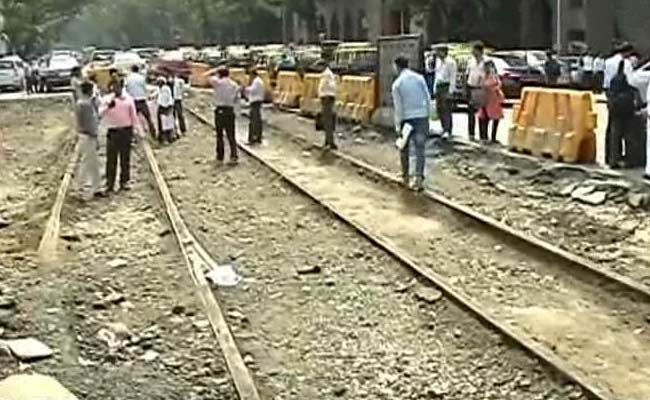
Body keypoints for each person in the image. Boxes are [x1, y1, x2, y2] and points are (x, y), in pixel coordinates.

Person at [392, 56, 431, 191]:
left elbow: (398, 108)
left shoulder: (397, 84)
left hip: (407, 119)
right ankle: (419, 178)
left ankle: (405, 175)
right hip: (421, 117)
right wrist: (428, 115)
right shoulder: (419, 78)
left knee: (404, 148)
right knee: (420, 149)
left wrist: (398, 126)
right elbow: (427, 97)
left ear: (397, 66)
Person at [100, 79, 138, 193]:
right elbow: (99, 113)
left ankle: (124, 181)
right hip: (113, 131)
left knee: (125, 158)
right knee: (111, 159)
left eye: (118, 87)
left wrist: (136, 131)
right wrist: (108, 106)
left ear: (122, 87)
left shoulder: (129, 100)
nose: (115, 89)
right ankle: (109, 184)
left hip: (126, 131)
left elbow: (133, 116)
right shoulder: (107, 99)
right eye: (114, 87)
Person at [74, 81, 104, 200]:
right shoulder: (85, 105)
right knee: (87, 163)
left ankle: (97, 187)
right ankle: (80, 188)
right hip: (88, 136)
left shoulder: (82, 103)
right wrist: (95, 136)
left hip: (85, 135)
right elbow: (90, 123)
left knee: (93, 163)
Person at [608, 60, 638, 169]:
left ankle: (613, 160)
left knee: (615, 136)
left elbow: (610, 93)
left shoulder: (614, 79)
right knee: (629, 136)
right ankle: (629, 160)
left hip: (616, 110)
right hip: (627, 110)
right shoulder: (628, 80)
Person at [209, 67, 240, 165]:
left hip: (220, 110)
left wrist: (214, 70)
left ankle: (220, 157)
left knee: (219, 135)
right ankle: (234, 156)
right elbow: (237, 99)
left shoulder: (217, 82)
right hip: (230, 111)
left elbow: (207, 76)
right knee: (231, 135)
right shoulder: (234, 85)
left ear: (219, 74)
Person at [125, 65, 156, 137]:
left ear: (131, 70)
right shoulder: (141, 78)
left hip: (133, 101)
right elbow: (144, 88)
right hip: (142, 100)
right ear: (138, 70)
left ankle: (132, 136)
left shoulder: (128, 78)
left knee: (131, 119)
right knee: (148, 118)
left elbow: (127, 89)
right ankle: (153, 133)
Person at [477, 60, 504, 143]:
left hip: (494, 99)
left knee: (496, 118)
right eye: (488, 66)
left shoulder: (494, 75)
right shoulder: (483, 76)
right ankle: (484, 136)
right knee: (484, 117)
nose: (490, 68)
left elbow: (499, 83)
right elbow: (483, 85)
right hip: (486, 98)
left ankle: (493, 137)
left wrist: (496, 88)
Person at [434, 45, 457, 137]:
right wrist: (434, 88)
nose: (437, 53)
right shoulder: (438, 62)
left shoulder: (451, 62)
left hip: (446, 86)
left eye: (438, 51)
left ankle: (448, 129)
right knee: (439, 108)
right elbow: (437, 74)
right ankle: (443, 127)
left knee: (446, 109)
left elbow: (453, 77)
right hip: (439, 85)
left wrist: (451, 91)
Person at [466, 42, 486, 140]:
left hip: (482, 88)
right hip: (471, 87)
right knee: (471, 112)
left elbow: (491, 75)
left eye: (474, 50)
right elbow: (467, 74)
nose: (472, 52)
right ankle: (471, 133)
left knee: (482, 112)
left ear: (479, 51)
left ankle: (483, 135)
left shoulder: (486, 62)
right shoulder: (470, 61)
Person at [318, 60, 338, 149]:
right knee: (326, 121)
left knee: (327, 121)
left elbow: (329, 86)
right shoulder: (327, 74)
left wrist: (325, 95)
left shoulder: (326, 75)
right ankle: (328, 141)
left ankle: (330, 142)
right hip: (327, 97)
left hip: (327, 98)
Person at [245, 68, 265, 145]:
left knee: (254, 121)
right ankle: (257, 137)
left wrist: (245, 89)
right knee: (257, 120)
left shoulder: (256, 82)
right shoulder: (258, 81)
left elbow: (252, 90)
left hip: (255, 102)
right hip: (256, 101)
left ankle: (253, 138)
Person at [155, 77, 174, 144]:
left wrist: (165, 108)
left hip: (165, 107)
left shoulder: (165, 89)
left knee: (165, 123)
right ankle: (165, 137)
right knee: (165, 123)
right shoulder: (160, 88)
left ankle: (166, 138)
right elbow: (156, 93)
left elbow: (165, 99)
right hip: (164, 106)